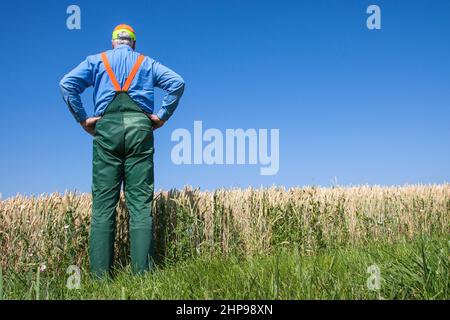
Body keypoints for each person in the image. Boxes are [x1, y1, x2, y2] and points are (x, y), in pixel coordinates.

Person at [59, 24, 185, 277]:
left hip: (107, 129)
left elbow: (66, 84)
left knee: (104, 205)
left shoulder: (97, 61)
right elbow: (177, 83)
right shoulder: (146, 63)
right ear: (134, 44)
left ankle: (99, 278)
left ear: (113, 42)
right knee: (140, 204)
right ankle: (142, 276)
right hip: (140, 129)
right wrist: (161, 117)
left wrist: (83, 119)